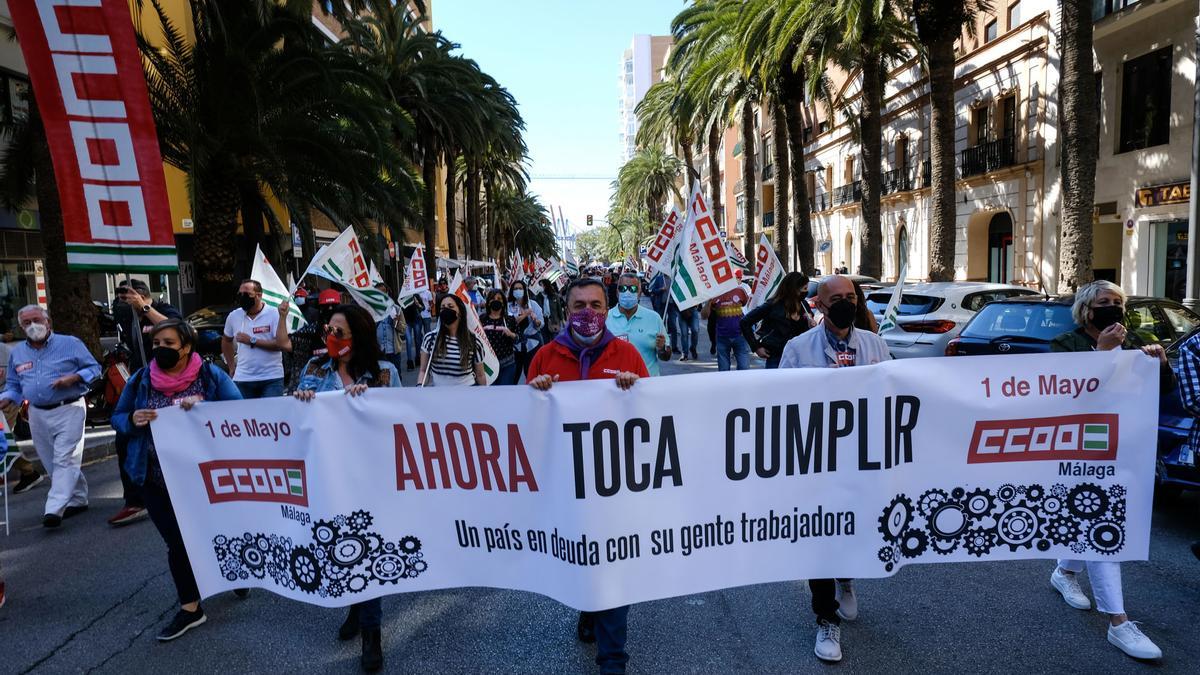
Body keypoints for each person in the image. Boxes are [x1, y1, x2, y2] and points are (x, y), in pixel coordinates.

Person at [527, 278, 648, 675]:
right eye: (579, 305)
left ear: (606, 306)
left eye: (596, 304)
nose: (588, 313)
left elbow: (654, 419)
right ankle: (587, 606)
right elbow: (527, 426)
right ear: (565, 310)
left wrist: (635, 393)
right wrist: (536, 393)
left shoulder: (626, 354)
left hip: (614, 489)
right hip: (564, 488)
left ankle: (613, 660)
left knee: (613, 568)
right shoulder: (544, 356)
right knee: (582, 559)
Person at [1047, 280, 1166, 660]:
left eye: (1118, 302)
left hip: (1123, 450)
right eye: (1104, 302)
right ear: (1086, 308)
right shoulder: (1065, 344)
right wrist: (1102, 353)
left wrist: (1159, 367)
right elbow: (1065, 396)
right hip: (1079, 451)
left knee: (1091, 518)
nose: (1112, 307)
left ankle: (1065, 572)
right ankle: (1118, 622)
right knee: (1100, 521)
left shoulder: (1136, 342)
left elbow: (1159, 394)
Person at [777, 275, 891, 662]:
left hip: (862, 458)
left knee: (854, 526)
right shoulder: (797, 348)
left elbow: (892, 396)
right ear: (820, 305)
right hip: (817, 460)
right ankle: (825, 618)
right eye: (836, 298)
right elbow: (779, 405)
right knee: (821, 535)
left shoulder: (874, 345)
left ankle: (846, 578)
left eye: (850, 297)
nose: (845, 303)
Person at [111, 318, 244, 640]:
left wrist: (205, 408)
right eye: (157, 344)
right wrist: (132, 419)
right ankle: (190, 608)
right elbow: (118, 417)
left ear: (186, 347)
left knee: (214, 532)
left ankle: (234, 573)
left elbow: (240, 412)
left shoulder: (210, 376)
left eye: (169, 344)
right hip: (155, 479)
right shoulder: (142, 380)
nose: (161, 350)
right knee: (177, 542)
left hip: (207, 480)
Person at [293, 304, 400, 672]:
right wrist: (303, 404)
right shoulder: (312, 370)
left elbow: (401, 424)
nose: (331, 337)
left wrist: (371, 404)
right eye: (329, 330)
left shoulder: (384, 374)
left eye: (340, 331)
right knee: (340, 546)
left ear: (359, 336)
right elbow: (294, 422)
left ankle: (371, 631)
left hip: (370, 478)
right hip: (327, 475)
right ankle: (356, 608)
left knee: (367, 551)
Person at [0, 306, 100, 528]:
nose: (32, 325)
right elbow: (14, 386)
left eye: (36, 319)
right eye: (27, 322)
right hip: (37, 413)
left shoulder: (70, 343)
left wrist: (74, 378)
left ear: (48, 322)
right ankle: (78, 498)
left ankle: (54, 508)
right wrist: (7, 398)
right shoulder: (18, 352)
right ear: (21, 327)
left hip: (69, 408)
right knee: (50, 460)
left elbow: (94, 368)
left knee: (65, 457)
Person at [111, 279, 181, 527]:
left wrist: (144, 309)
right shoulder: (129, 319)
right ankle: (135, 499)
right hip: (142, 384)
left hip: (173, 385)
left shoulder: (164, 309)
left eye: (125, 296)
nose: (121, 302)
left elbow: (176, 328)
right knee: (125, 436)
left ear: (139, 295)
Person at [221, 280, 292, 399]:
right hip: (243, 379)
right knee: (245, 416)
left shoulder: (275, 314)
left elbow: (283, 345)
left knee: (271, 417)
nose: (242, 297)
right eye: (240, 294)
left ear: (259, 295)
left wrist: (252, 341)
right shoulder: (234, 316)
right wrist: (231, 367)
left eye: (246, 294)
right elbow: (226, 340)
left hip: (271, 378)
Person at [740, 272, 812, 369]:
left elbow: (809, 332)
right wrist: (756, 347)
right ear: (793, 289)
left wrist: (811, 325)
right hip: (776, 358)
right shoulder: (773, 305)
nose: (806, 292)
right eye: (804, 289)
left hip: (800, 357)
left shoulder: (804, 305)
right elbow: (745, 322)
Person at [0, 338, 43, 494]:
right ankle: (28, 472)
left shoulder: (4, 351)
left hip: (6, 400)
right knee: (3, 440)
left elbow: (14, 378)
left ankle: (28, 473)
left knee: (2, 438)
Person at [606, 273, 671, 376]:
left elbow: (666, 357)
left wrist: (662, 348)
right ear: (617, 292)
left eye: (633, 289)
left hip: (647, 383)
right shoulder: (605, 318)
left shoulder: (654, 318)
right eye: (623, 288)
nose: (627, 292)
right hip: (615, 385)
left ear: (640, 293)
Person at [418, 293, 487, 387]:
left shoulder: (474, 341)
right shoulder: (430, 339)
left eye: (450, 306)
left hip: (467, 395)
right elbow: (423, 371)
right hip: (439, 395)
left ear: (460, 312)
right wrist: (419, 387)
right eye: (442, 308)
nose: (446, 309)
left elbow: (480, 375)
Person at [286, 289, 338, 391]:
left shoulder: (349, 331)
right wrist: (282, 317)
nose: (330, 309)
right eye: (326, 306)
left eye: (333, 306)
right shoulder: (312, 329)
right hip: (315, 380)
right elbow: (284, 343)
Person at [702, 285, 751, 371]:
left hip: (740, 337)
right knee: (724, 371)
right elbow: (704, 316)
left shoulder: (740, 291)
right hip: (722, 338)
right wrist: (709, 301)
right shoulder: (714, 293)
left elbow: (749, 306)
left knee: (744, 369)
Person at [480, 289, 520, 385]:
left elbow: (518, 339)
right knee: (490, 395)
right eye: (492, 298)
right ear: (488, 302)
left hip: (507, 365)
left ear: (503, 302)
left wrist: (511, 334)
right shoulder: (482, 319)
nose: (496, 300)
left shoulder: (510, 319)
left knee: (505, 394)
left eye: (499, 298)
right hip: (488, 366)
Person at [508, 280, 544, 379]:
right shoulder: (509, 306)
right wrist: (525, 314)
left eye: (520, 288)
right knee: (514, 375)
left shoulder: (533, 304)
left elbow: (541, 323)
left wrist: (537, 322)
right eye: (515, 289)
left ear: (524, 290)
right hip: (515, 346)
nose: (518, 291)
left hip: (533, 344)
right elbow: (510, 324)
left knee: (532, 374)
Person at [374, 283, 406, 376]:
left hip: (393, 351)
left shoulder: (396, 309)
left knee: (396, 376)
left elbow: (403, 329)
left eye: (383, 292)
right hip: (378, 352)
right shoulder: (371, 311)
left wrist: (396, 322)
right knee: (380, 378)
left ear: (387, 293)